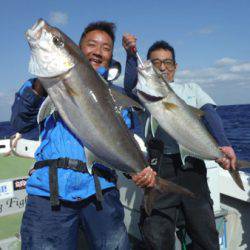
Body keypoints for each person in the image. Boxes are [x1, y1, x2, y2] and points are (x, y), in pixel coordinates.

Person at [11, 22, 156, 250]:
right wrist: (44, 81)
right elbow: (20, 122)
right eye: (91, 44)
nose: (98, 51)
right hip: (50, 196)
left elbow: (132, 142)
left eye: (106, 48)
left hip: (101, 195)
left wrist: (142, 170)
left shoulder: (116, 98)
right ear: (77, 49)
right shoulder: (38, 88)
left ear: (110, 55)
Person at [123, 36, 237, 250]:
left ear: (175, 66)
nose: (162, 67)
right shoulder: (145, 93)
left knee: (204, 232)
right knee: (156, 234)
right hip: (160, 167)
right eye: (156, 63)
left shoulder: (191, 89)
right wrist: (131, 56)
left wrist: (224, 144)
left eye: (167, 62)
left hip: (193, 165)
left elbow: (209, 113)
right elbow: (130, 87)